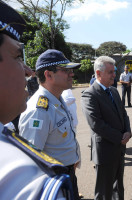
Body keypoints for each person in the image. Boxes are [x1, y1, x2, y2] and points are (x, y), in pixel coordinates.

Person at [0, 1, 73, 199]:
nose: (27, 71)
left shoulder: (59, 100)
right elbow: (35, 153)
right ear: (49, 75)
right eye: (17, 56)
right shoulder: (24, 179)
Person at [19, 49, 81, 200]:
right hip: (52, 182)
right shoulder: (38, 110)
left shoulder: (56, 99)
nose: (71, 74)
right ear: (48, 75)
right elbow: (32, 162)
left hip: (66, 175)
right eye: (66, 70)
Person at [81, 56, 132, 200]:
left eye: (114, 71)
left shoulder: (114, 91)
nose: (114, 75)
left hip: (119, 149)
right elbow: (97, 124)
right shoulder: (89, 95)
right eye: (110, 72)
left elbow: (123, 114)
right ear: (98, 73)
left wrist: (128, 132)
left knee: (118, 189)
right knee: (104, 192)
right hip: (105, 151)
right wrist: (119, 138)